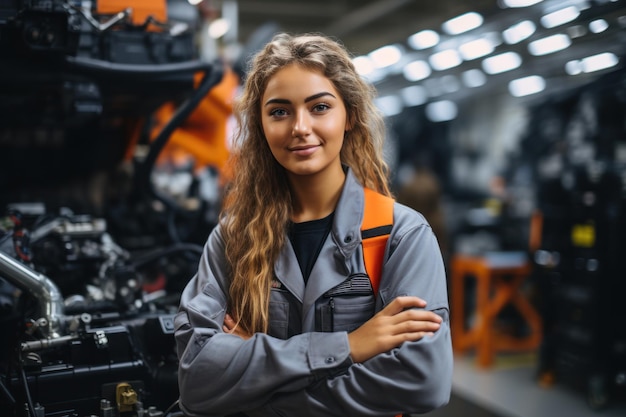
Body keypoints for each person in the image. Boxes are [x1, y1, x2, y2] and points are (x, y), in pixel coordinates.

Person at [174, 32, 453, 417]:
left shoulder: (400, 236)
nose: (299, 127)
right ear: (260, 123)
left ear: (349, 115)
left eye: (319, 107)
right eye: (279, 111)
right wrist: (349, 347)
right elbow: (197, 380)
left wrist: (254, 388)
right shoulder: (233, 237)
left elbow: (423, 382)